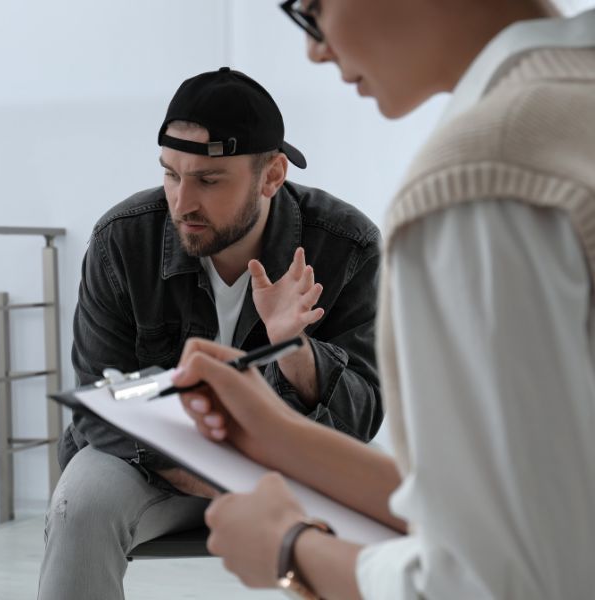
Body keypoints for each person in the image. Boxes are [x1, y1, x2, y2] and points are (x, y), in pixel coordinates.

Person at [172, 1, 595, 599]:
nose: (314, 47)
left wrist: (289, 550)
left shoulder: (480, 179)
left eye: (312, 8)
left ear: (270, 176)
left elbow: (493, 583)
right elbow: (533, 504)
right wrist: (276, 435)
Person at [37, 67, 383, 600]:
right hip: (150, 465)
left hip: (291, 470)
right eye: (172, 174)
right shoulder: (122, 241)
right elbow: (98, 408)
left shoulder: (346, 245)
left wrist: (296, 349)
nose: (181, 202)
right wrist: (226, 480)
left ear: (271, 176)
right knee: (78, 505)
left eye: (208, 180)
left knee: (373, 524)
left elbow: (359, 423)